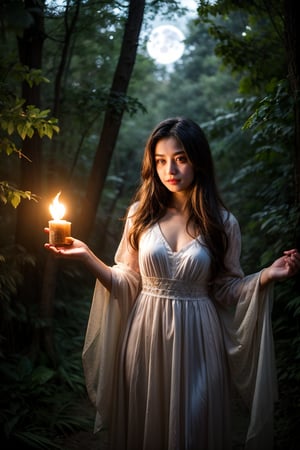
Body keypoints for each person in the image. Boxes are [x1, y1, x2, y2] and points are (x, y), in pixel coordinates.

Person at [45, 117, 300, 450]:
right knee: (145, 425)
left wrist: (267, 274)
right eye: (161, 160)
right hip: (145, 336)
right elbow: (128, 281)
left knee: (194, 429)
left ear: (197, 159)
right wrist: (87, 255)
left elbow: (225, 289)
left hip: (200, 339)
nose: (171, 169)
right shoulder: (139, 214)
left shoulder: (223, 223)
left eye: (180, 158)